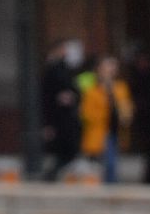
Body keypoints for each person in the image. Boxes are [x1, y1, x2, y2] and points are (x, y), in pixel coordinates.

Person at [79, 55, 132, 183]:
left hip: (116, 130)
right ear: (99, 70)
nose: (111, 70)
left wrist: (126, 114)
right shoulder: (92, 90)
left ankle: (110, 186)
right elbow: (86, 113)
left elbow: (126, 107)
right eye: (107, 67)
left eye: (113, 66)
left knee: (112, 163)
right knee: (106, 164)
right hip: (100, 131)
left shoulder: (120, 87)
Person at [40, 40, 82, 178]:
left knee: (69, 151)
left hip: (68, 117)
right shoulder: (52, 69)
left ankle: (54, 174)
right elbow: (46, 97)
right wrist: (47, 124)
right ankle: (51, 175)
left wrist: (73, 96)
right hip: (59, 118)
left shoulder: (67, 69)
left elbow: (75, 89)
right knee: (64, 151)